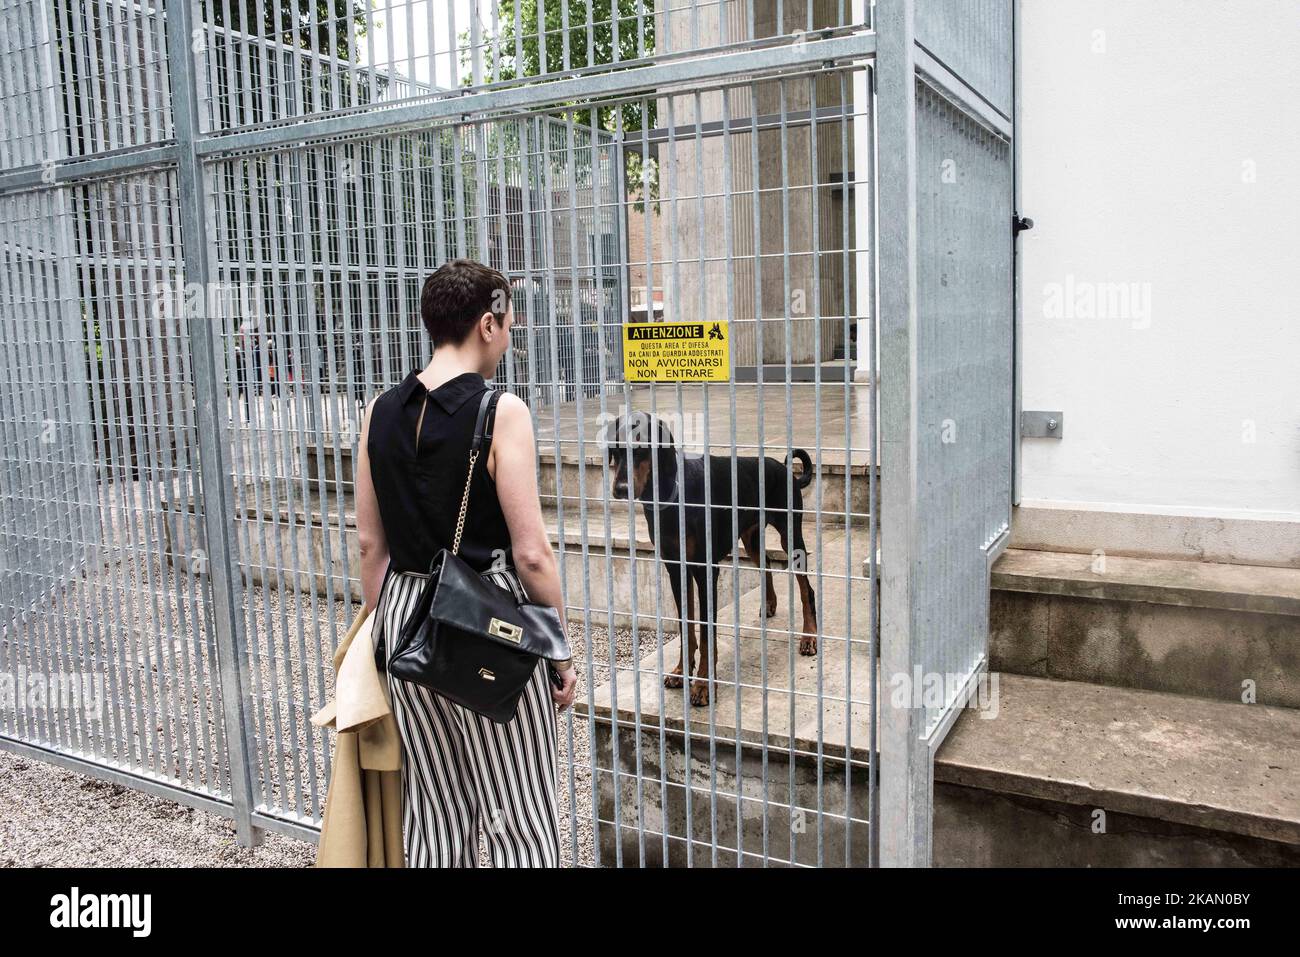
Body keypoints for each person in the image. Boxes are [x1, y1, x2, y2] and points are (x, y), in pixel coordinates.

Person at [354, 258, 577, 868]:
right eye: (506, 324)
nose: (508, 336)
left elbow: (371, 545)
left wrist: (389, 630)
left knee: (433, 810)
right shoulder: (502, 411)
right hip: (488, 619)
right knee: (520, 813)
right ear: (486, 324)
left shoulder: (378, 411)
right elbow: (531, 553)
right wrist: (556, 644)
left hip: (402, 616)